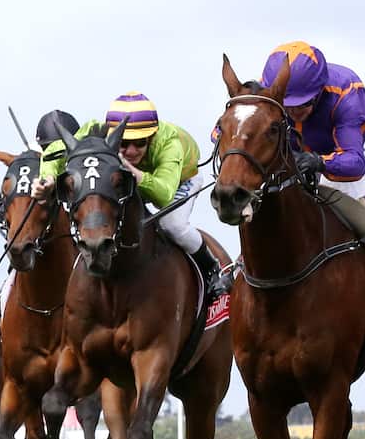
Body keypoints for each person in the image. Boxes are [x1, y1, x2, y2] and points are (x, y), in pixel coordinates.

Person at [35, 92, 231, 296]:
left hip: (178, 180)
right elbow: (54, 151)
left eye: (139, 144)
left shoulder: (169, 144)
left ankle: (212, 270)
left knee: (172, 225)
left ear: (152, 137)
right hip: (128, 176)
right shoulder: (96, 129)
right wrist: (47, 178)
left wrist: (133, 172)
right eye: (124, 143)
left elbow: (163, 195)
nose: (131, 150)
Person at [258, 41, 365, 293]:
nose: (295, 111)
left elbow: (355, 164)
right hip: (300, 154)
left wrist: (319, 162)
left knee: (333, 189)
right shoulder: (270, 88)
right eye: (289, 104)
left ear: (318, 90)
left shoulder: (346, 90)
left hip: (354, 153)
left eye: (303, 103)